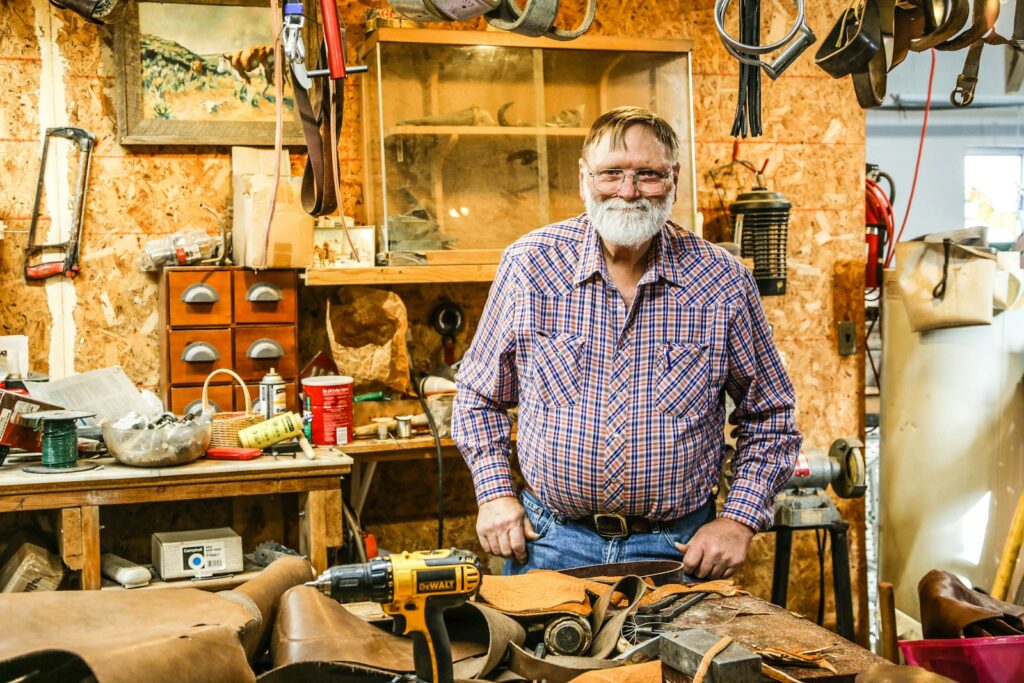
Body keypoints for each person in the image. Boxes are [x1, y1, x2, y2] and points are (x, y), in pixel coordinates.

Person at [451, 106, 801, 579]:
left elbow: (771, 416)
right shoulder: (529, 267)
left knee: (675, 658)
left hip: (676, 550)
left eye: (648, 175)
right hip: (550, 545)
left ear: (673, 177)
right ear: (584, 178)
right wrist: (494, 492)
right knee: (543, 657)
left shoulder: (723, 283)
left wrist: (738, 519)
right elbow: (477, 396)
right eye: (611, 173)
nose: (629, 191)